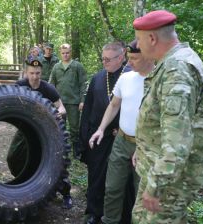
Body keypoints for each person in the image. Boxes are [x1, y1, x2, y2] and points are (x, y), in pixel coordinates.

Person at [132, 10, 203, 223]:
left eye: (139, 39)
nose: (137, 46)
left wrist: (156, 186)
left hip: (169, 183)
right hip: (159, 173)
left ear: (152, 38)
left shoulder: (177, 69)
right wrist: (142, 149)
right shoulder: (171, 63)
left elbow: (177, 143)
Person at [88, 40, 155, 224]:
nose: (129, 62)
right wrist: (101, 129)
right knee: (112, 188)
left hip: (145, 146)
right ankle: (109, 220)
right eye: (129, 57)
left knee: (141, 190)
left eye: (134, 58)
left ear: (148, 56)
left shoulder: (159, 81)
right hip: (121, 141)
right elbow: (114, 105)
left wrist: (143, 146)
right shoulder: (126, 78)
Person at [7, 59, 72, 209]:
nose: (35, 76)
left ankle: (66, 194)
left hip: (45, 133)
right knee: (12, 158)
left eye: (37, 73)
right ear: (26, 73)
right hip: (25, 129)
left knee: (54, 165)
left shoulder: (48, 88)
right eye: (31, 73)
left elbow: (62, 109)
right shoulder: (20, 85)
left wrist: (55, 113)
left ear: (41, 73)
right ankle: (29, 181)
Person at [79, 41, 130, 224]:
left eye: (108, 60)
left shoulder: (131, 75)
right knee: (96, 175)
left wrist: (122, 128)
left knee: (119, 180)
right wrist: (84, 137)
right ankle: (93, 212)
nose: (104, 63)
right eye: (103, 59)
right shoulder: (97, 78)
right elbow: (88, 109)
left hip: (121, 137)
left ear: (121, 57)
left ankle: (121, 215)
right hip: (99, 136)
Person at [49, 43, 87, 159]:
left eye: (67, 53)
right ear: (60, 53)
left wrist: (82, 100)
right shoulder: (56, 67)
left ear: (71, 52)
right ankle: (62, 149)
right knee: (60, 125)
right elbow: (51, 84)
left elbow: (83, 84)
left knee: (74, 127)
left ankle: (76, 149)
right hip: (59, 102)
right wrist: (51, 99)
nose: (65, 55)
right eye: (63, 53)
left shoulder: (77, 66)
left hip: (73, 102)